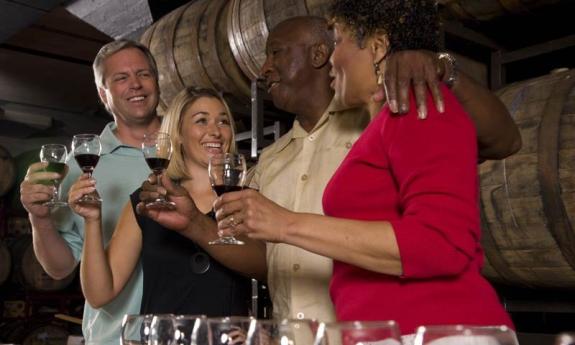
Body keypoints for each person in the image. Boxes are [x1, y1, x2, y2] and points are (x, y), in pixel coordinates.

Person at [138, 13, 521, 324]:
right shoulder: (269, 161)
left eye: (276, 53)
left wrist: (439, 69)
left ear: (322, 53)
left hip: (399, 328)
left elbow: (501, 143)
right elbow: (271, 264)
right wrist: (196, 225)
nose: (264, 69)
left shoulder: (387, 115)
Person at [20, 39, 161, 345]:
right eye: (121, 78)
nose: (135, 84)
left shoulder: (188, 147)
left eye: (144, 74)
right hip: (114, 338)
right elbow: (59, 267)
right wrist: (39, 219)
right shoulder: (81, 166)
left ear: (157, 80)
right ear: (103, 94)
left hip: (189, 331)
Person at [67, 87, 254, 316]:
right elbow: (99, 295)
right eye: (201, 121)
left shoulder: (247, 199)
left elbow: (266, 267)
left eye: (223, 122)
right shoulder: (147, 200)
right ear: (178, 134)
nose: (215, 131)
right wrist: (92, 220)